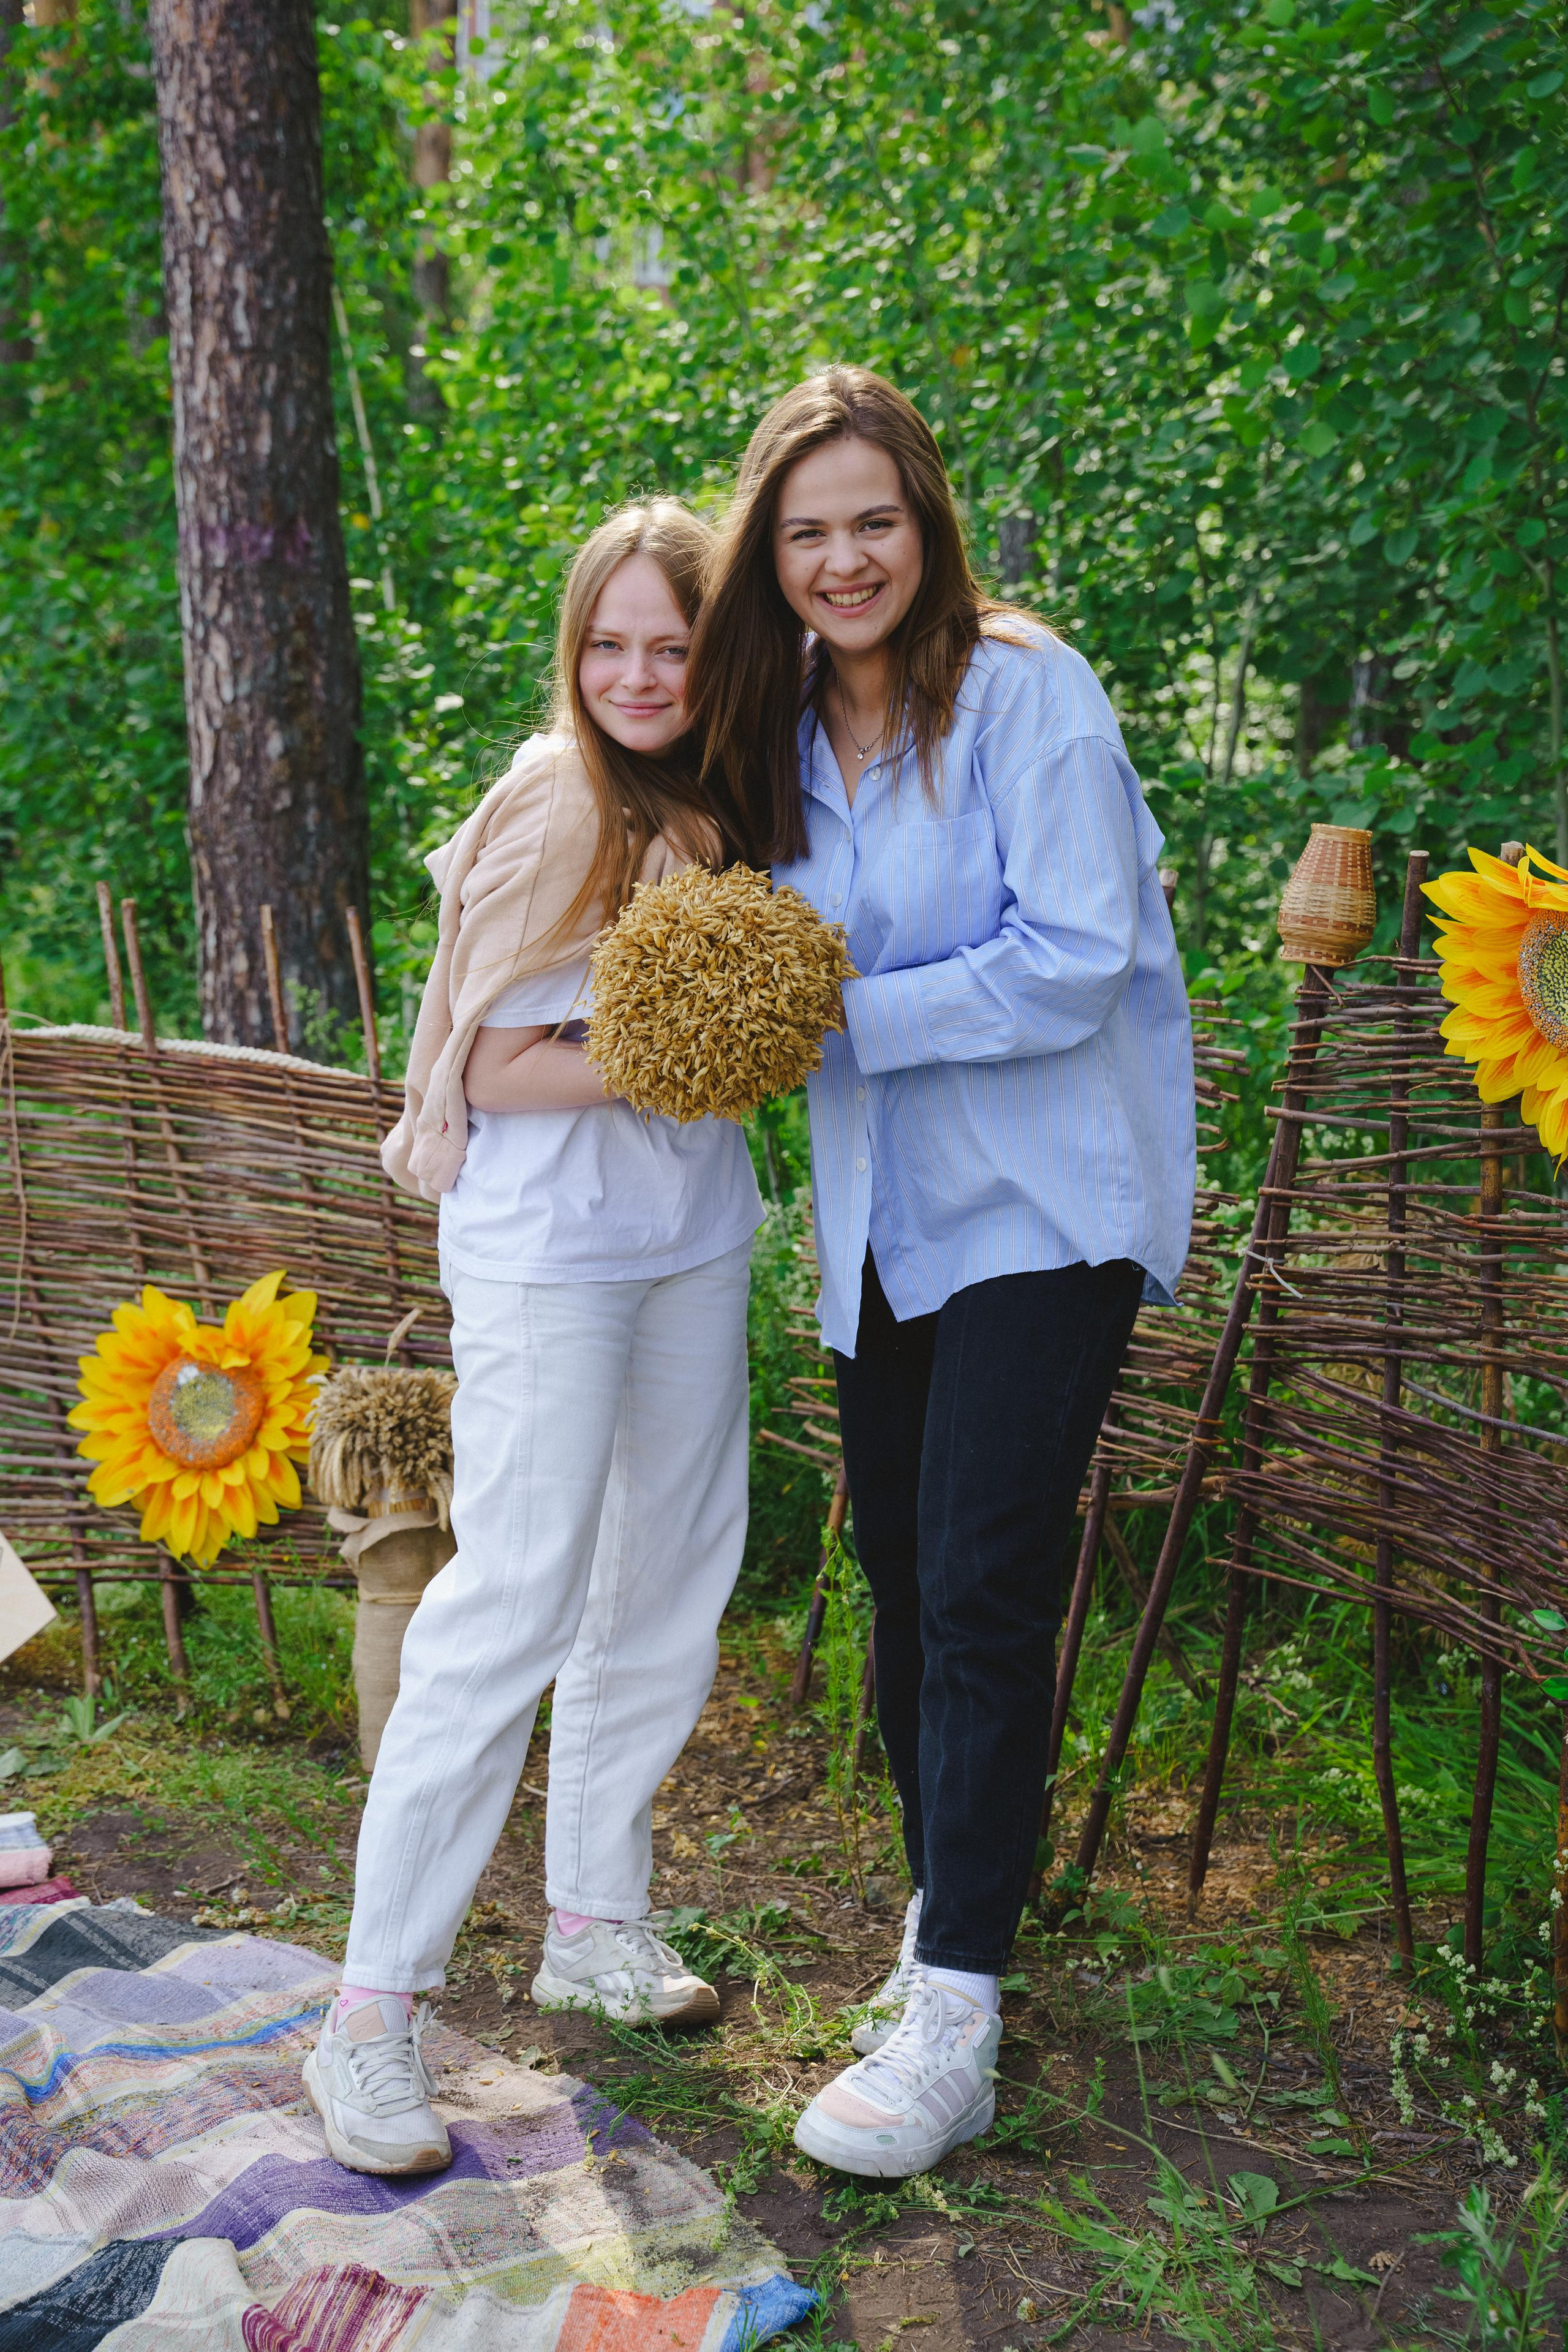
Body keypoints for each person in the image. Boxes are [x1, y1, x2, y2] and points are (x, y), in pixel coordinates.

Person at [687, 368, 1194, 2180]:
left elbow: (1072, 957)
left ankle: (961, 2007)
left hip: (1048, 1203)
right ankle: (948, 1925)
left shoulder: (1028, 696)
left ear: (928, 522)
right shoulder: (777, 728)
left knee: (983, 1578)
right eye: (808, 531)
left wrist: (826, 1014)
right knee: (903, 1575)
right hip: (891, 1219)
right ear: (774, 554)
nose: (844, 560)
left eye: (873, 522)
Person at [304, 501, 764, 2177]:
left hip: (692, 1234)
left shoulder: (715, 804)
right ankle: (371, 2014)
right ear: (574, 653)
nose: (639, 674)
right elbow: (485, 1071)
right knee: (512, 1595)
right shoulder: (554, 800)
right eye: (610, 643)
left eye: (674, 645)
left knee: (668, 1575)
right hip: (552, 1251)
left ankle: (595, 1922)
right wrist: (689, 1044)